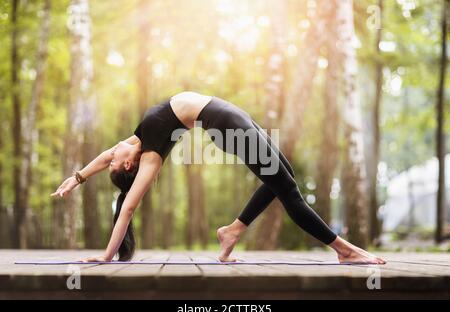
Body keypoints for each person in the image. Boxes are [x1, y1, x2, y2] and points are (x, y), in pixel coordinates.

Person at [51, 91, 386, 264]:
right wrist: (108, 255)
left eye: (111, 158)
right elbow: (127, 210)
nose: (111, 154)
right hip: (228, 127)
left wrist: (76, 178)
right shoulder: (150, 154)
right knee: (288, 190)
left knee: (285, 175)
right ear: (128, 167)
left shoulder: (137, 139)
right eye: (114, 161)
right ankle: (343, 249)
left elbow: (101, 160)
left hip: (233, 116)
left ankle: (232, 231)